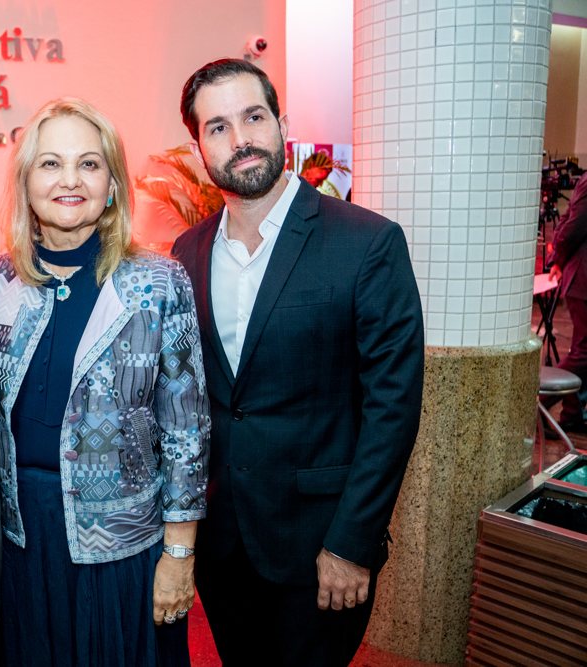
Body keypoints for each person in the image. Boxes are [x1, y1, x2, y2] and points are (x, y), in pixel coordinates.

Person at [172, 59, 425, 666]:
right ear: (199, 145)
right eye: (218, 127)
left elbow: (394, 407)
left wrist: (351, 542)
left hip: (320, 549)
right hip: (224, 546)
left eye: (253, 117)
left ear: (281, 123)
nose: (241, 140)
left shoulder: (366, 242)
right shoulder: (187, 251)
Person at [0, 97, 210, 667]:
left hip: (124, 542)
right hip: (22, 537)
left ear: (111, 185)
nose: (70, 180)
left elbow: (187, 435)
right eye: (50, 163)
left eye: (89, 163)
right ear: (26, 181)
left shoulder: (158, 284)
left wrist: (179, 555)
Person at [545, 174, 587, 433]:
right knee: (584, 352)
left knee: (582, 350)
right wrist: (557, 258)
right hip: (583, 279)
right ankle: (538, 402)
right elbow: (574, 224)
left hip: (581, 278)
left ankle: (571, 415)